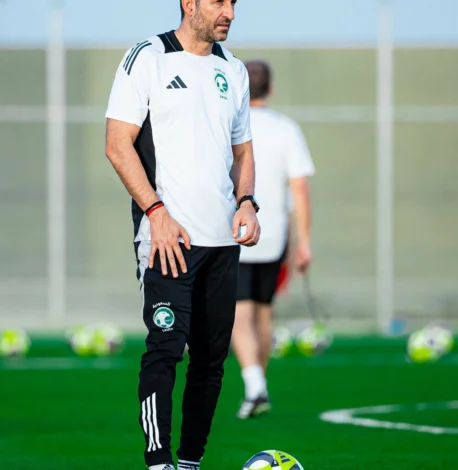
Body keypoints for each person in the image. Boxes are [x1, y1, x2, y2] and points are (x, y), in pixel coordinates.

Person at [104, 1, 260, 469]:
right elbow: (117, 144)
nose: (230, 12)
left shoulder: (233, 70)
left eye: (234, 3)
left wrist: (247, 202)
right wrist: (156, 213)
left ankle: (190, 462)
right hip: (167, 241)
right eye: (219, 2)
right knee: (166, 348)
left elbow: (243, 151)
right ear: (189, 4)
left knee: (211, 361)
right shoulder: (148, 57)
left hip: (222, 242)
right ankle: (159, 462)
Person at [231, 60, 315, 419]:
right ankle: (258, 386)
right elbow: (300, 189)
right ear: (272, 88)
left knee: (238, 314)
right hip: (273, 236)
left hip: (235, 231)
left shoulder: (230, 124)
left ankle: (255, 387)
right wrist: (304, 241)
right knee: (263, 312)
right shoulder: (286, 129)